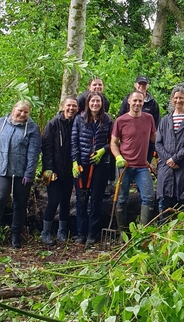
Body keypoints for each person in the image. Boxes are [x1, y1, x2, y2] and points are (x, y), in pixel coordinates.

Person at [111, 91, 156, 232]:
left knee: (149, 197)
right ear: (129, 101)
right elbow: (113, 143)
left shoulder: (149, 119)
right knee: (121, 199)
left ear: (143, 103)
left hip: (142, 166)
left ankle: (141, 234)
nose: (137, 103)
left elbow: (155, 140)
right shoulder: (121, 120)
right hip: (124, 166)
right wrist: (118, 157)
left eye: (140, 101)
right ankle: (122, 234)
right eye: (134, 100)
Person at [71, 92, 113, 245]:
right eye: (93, 101)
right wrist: (74, 162)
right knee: (81, 199)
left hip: (100, 166)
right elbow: (74, 141)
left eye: (98, 101)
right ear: (88, 103)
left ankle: (92, 234)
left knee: (96, 199)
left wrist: (103, 151)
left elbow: (114, 142)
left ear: (102, 103)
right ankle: (81, 233)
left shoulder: (108, 119)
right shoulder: (79, 119)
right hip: (82, 165)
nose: (95, 104)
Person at [0, 100, 41, 248]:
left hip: (22, 172)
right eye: (20, 110)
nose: (22, 114)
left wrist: (29, 173)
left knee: (20, 203)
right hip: (2, 169)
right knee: (1, 197)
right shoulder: (2, 123)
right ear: (13, 109)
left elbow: (33, 152)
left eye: (26, 112)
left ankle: (15, 236)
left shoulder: (32, 128)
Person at [156, 87, 184, 221]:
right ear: (172, 100)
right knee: (164, 201)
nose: (178, 100)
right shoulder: (165, 120)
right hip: (165, 166)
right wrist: (168, 159)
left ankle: (182, 235)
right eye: (176, 98)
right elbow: (158, 143)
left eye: (181, 98)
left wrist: (175, 158)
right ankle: (162, 235)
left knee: (183, 204)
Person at [41, 97, 79, 245]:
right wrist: (49, 169)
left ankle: (62, 231)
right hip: (54, 171)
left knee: (65, 201)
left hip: (70, 170)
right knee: (53, 200)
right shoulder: (53, 124)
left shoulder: (77, 123)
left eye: (74, 106)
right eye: (69, 105)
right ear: (62, 106)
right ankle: (45, 232)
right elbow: (47, 147)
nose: (71, 108)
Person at [118, 76, 160, 162]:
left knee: (144, 167)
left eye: (144, 84)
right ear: (135, 85)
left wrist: (156, 145)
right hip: (129, 142)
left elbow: (157, 124)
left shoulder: (153, 103)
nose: (142, 86)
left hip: (147, 144)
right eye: (140, 84)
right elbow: (120, 118)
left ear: (147, 86)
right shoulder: (127, 100)